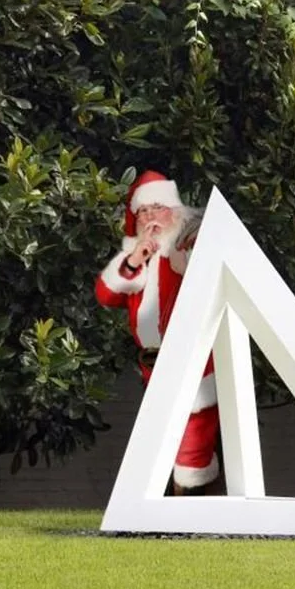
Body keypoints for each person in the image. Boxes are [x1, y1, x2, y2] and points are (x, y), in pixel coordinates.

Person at [95, 170, 221, 492]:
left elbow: (213, 279)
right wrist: (136, 256)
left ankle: (190, 507)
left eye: (158, 208)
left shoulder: (185, 245)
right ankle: (173, 509)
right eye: (144, 211)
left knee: (192, 447)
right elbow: (106, 295)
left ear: (174, 211)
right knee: (163, 442)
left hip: (195, 365)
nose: (151, 217)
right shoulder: (139, 259)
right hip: (152, 366)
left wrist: (184, 263)